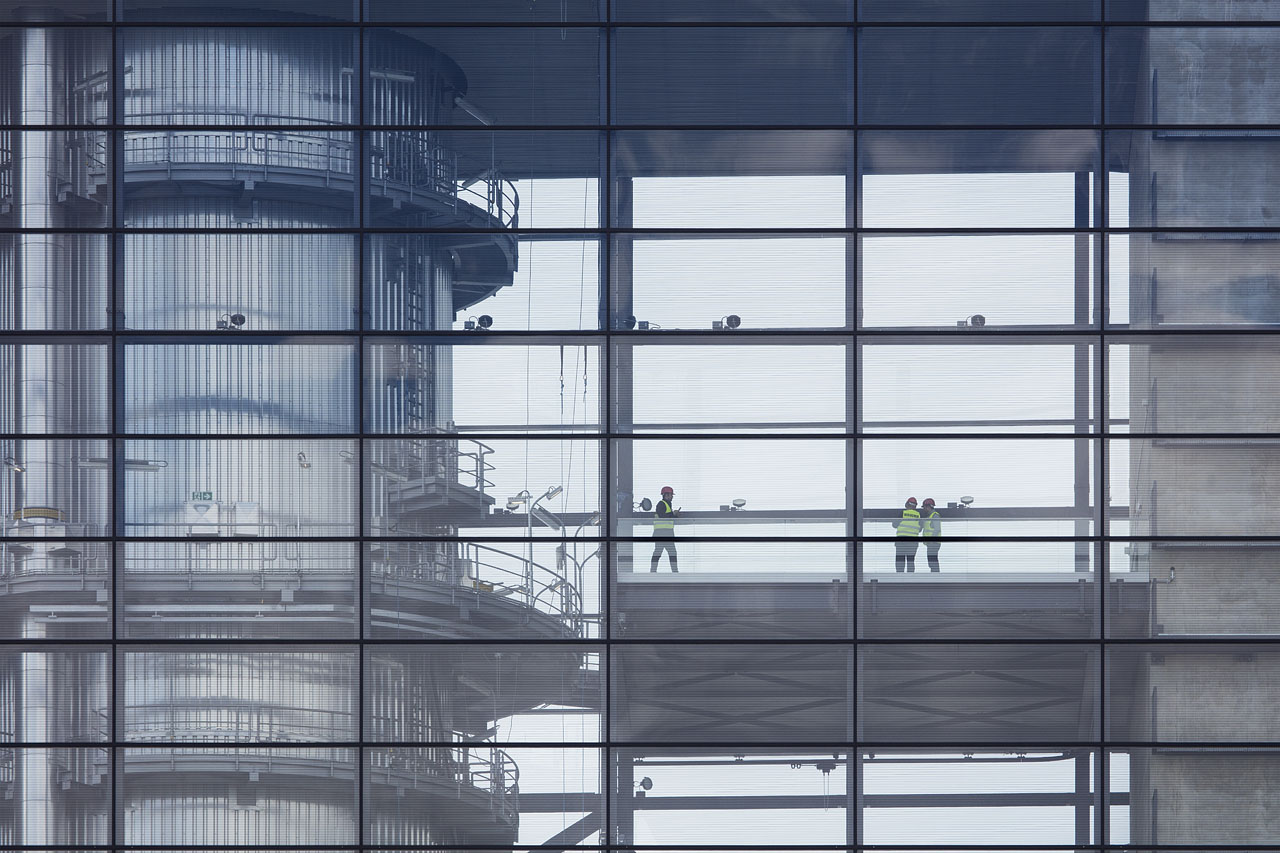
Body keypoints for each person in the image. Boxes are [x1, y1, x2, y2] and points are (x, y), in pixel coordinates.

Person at [650, 485, 680, 573]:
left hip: (666, 533)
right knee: (662, 553)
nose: (672, 497)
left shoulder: (667, 505)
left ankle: (654, 571)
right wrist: (673, 514)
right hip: (662, 533)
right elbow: (663, 516)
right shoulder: (661, 504)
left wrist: (675, 515)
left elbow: (669, 517)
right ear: (666, 495)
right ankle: (674, 572)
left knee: (664, 553)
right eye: (671, 495)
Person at [891, 496, 921, 572]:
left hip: (901, 540)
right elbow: (920, 528)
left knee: (900, 560)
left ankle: (899, 577)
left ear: (907, 505)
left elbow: (894, 525)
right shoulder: (919, 515)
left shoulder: (903, 513)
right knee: (911, 560)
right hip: (913, 541)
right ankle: (910, 578)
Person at [920, 497, 942, 572]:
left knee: (933, 561)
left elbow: (937, 529)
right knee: (931, 561)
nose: (924, 509)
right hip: (931, 542)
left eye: (924, 507)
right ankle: (934, 575)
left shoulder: (934, 515)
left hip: (933, 542)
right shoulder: (929, 517)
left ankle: (936, 576)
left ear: (929, 506)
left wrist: (931, 539)